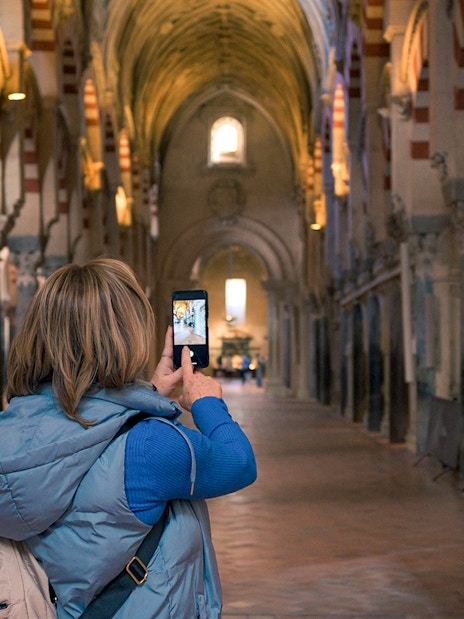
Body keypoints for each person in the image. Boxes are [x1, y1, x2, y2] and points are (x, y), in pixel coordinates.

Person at [0, 257, 257, 618]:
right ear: (127, 336)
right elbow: (239, 462)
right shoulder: (151, 446)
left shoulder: (15, 422)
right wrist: (207, 404)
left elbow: (85, 432)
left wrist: (147, 393)